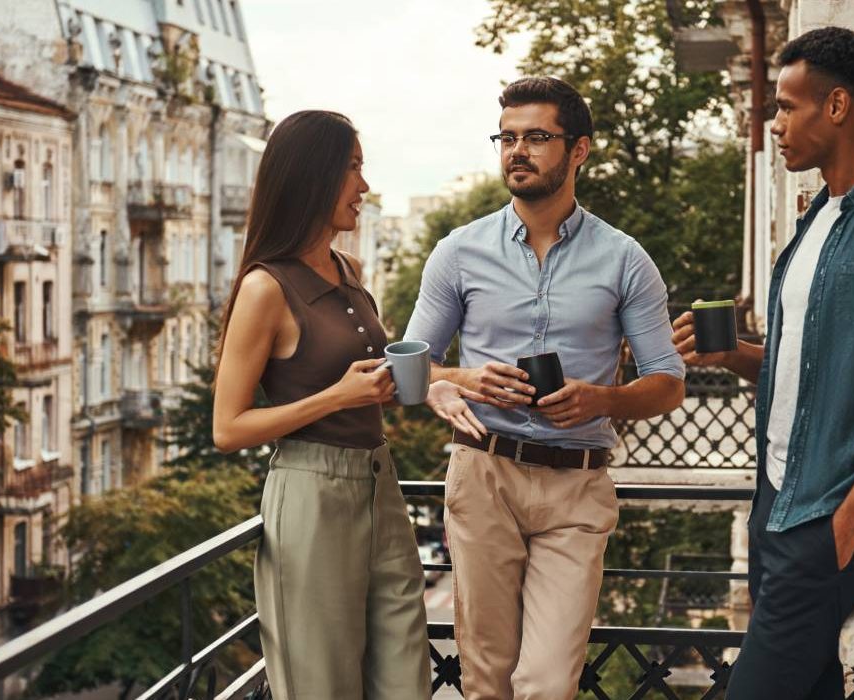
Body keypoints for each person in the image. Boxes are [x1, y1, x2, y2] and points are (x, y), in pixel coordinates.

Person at [671, 28, 854, 699]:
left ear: (836, 107)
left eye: (785, 106)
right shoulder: (814, 224)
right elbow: (810, 367)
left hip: (833, 515)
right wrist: (736, 356)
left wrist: (849, 524)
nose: (773, 124)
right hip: (776, 502)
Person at [403, 77, 686, 700]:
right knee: (486, 675)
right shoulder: (458, 253)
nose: (516, 151)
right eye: (507, 137)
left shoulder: (625, 259)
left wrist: (604, 398)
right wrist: (463, 379)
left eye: (536, 137)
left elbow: (668, 384)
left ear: (579, 149)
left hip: (576, 486)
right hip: (484, 477)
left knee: (548, 682)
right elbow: (410, 368)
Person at [211, 110, 485, 699]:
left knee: (406, 678)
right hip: (310, 492)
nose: (364, 186)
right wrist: (335, 397)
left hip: (379, 484)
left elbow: (378, 375)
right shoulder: (266, 287)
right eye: (353, 169)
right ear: (314, 175)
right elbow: (229, 428)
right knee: (322, 687)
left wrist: (440, 382)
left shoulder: (348, 269)